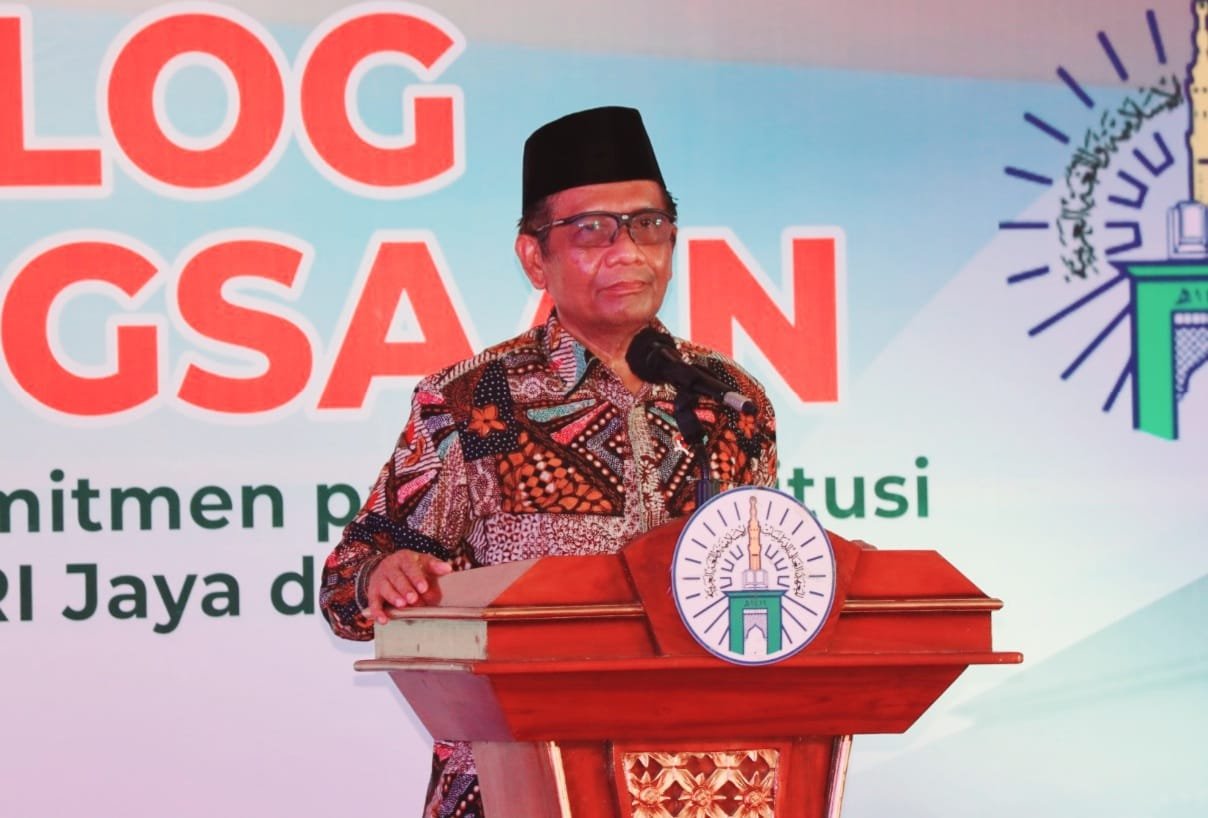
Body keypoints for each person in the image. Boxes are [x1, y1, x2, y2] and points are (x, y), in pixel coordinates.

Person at [319, 105, 777, 818]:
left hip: (703, 782)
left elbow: (767, 588)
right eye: (593, 229)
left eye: (648, 224)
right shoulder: (472, 402)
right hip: (515, 781)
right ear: (535, 258)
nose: (628, 251)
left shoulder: (728, 398)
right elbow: (346, 585)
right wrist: (381, 575)